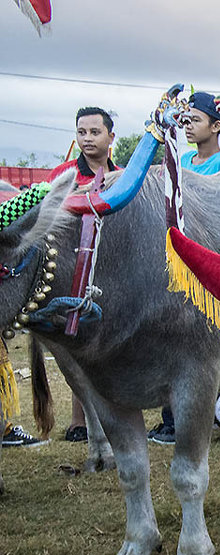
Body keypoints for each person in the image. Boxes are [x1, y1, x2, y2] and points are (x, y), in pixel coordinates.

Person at [147, 93, 220, 445]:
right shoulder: (180, 160)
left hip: (209, 257)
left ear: (215, 126)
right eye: (184, 122)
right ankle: (173, 416)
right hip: (176, 257)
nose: (188, 127)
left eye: (194, 120)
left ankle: (191, 415)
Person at [50, 107, 121, 441]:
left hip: (113, 270)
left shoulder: (123, 177)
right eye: (82, 132)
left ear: (110, 137)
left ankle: (113, 420)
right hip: (73, 271)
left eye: (95, 132)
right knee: (77, 345)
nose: (88, 138)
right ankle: (81, 422)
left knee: (108, 347)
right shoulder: (63, 176)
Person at [181, 91, 220, 174]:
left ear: (216, 126)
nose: (188, 126)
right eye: (187, 119)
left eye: (196, 120)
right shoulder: (184, 160)